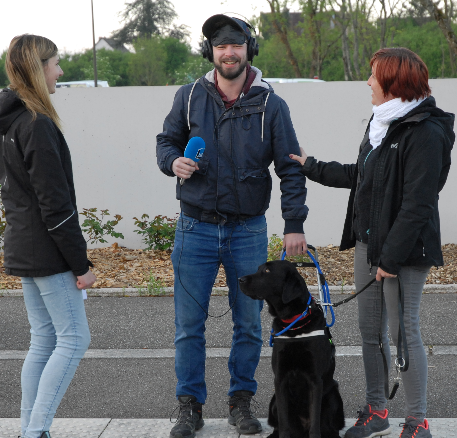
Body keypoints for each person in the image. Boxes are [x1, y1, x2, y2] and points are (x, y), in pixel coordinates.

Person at [156, 13, 309, 438]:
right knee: (188, 326)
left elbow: (291, 168)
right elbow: (165, 141)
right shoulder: (189, 97)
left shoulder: (271, 105)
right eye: (221, 46)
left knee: (248, 323)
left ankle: (241, 401)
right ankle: (189, 406)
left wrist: (293, 222)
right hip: (195, 229)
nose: (228, 52)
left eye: (236, 45)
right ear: (211, 52)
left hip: (247, 231)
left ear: (248, 50)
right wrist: (173, 161)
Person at [290, 47, 455, 438]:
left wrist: (390, 259)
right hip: (369, 244)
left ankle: (417, 422)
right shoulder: (380, 123)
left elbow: (418, 204)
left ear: (394, 81)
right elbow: (362, 175)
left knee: (403, 332)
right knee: (369, 331)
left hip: (405, 252)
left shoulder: (426, 132)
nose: (367, 82)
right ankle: (377, 411)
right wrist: (311, 167)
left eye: (374, 75)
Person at [0, 34, 96, 438]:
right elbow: (56, 206)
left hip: (24, 244)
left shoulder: (11, 120)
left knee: (44, 340)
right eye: (55, 63)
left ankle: (31, 429)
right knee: (73, 339)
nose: (60, 71)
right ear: (39, 68)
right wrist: (80, 264)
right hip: (46, 250)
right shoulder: (36, 124)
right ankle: (35, 432)